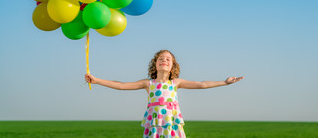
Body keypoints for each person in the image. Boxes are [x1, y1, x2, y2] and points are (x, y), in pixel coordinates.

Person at [85, 50, 244, 138]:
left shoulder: (176, 83)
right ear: (155, 64)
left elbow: (202, 84)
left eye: (168, 59)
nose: (164, 60)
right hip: (154, 126)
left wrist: (224, 82)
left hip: (172, 126)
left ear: (173, 65)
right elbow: (121, 86)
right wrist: (97, 80)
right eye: (160, 58)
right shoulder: (148, 83)